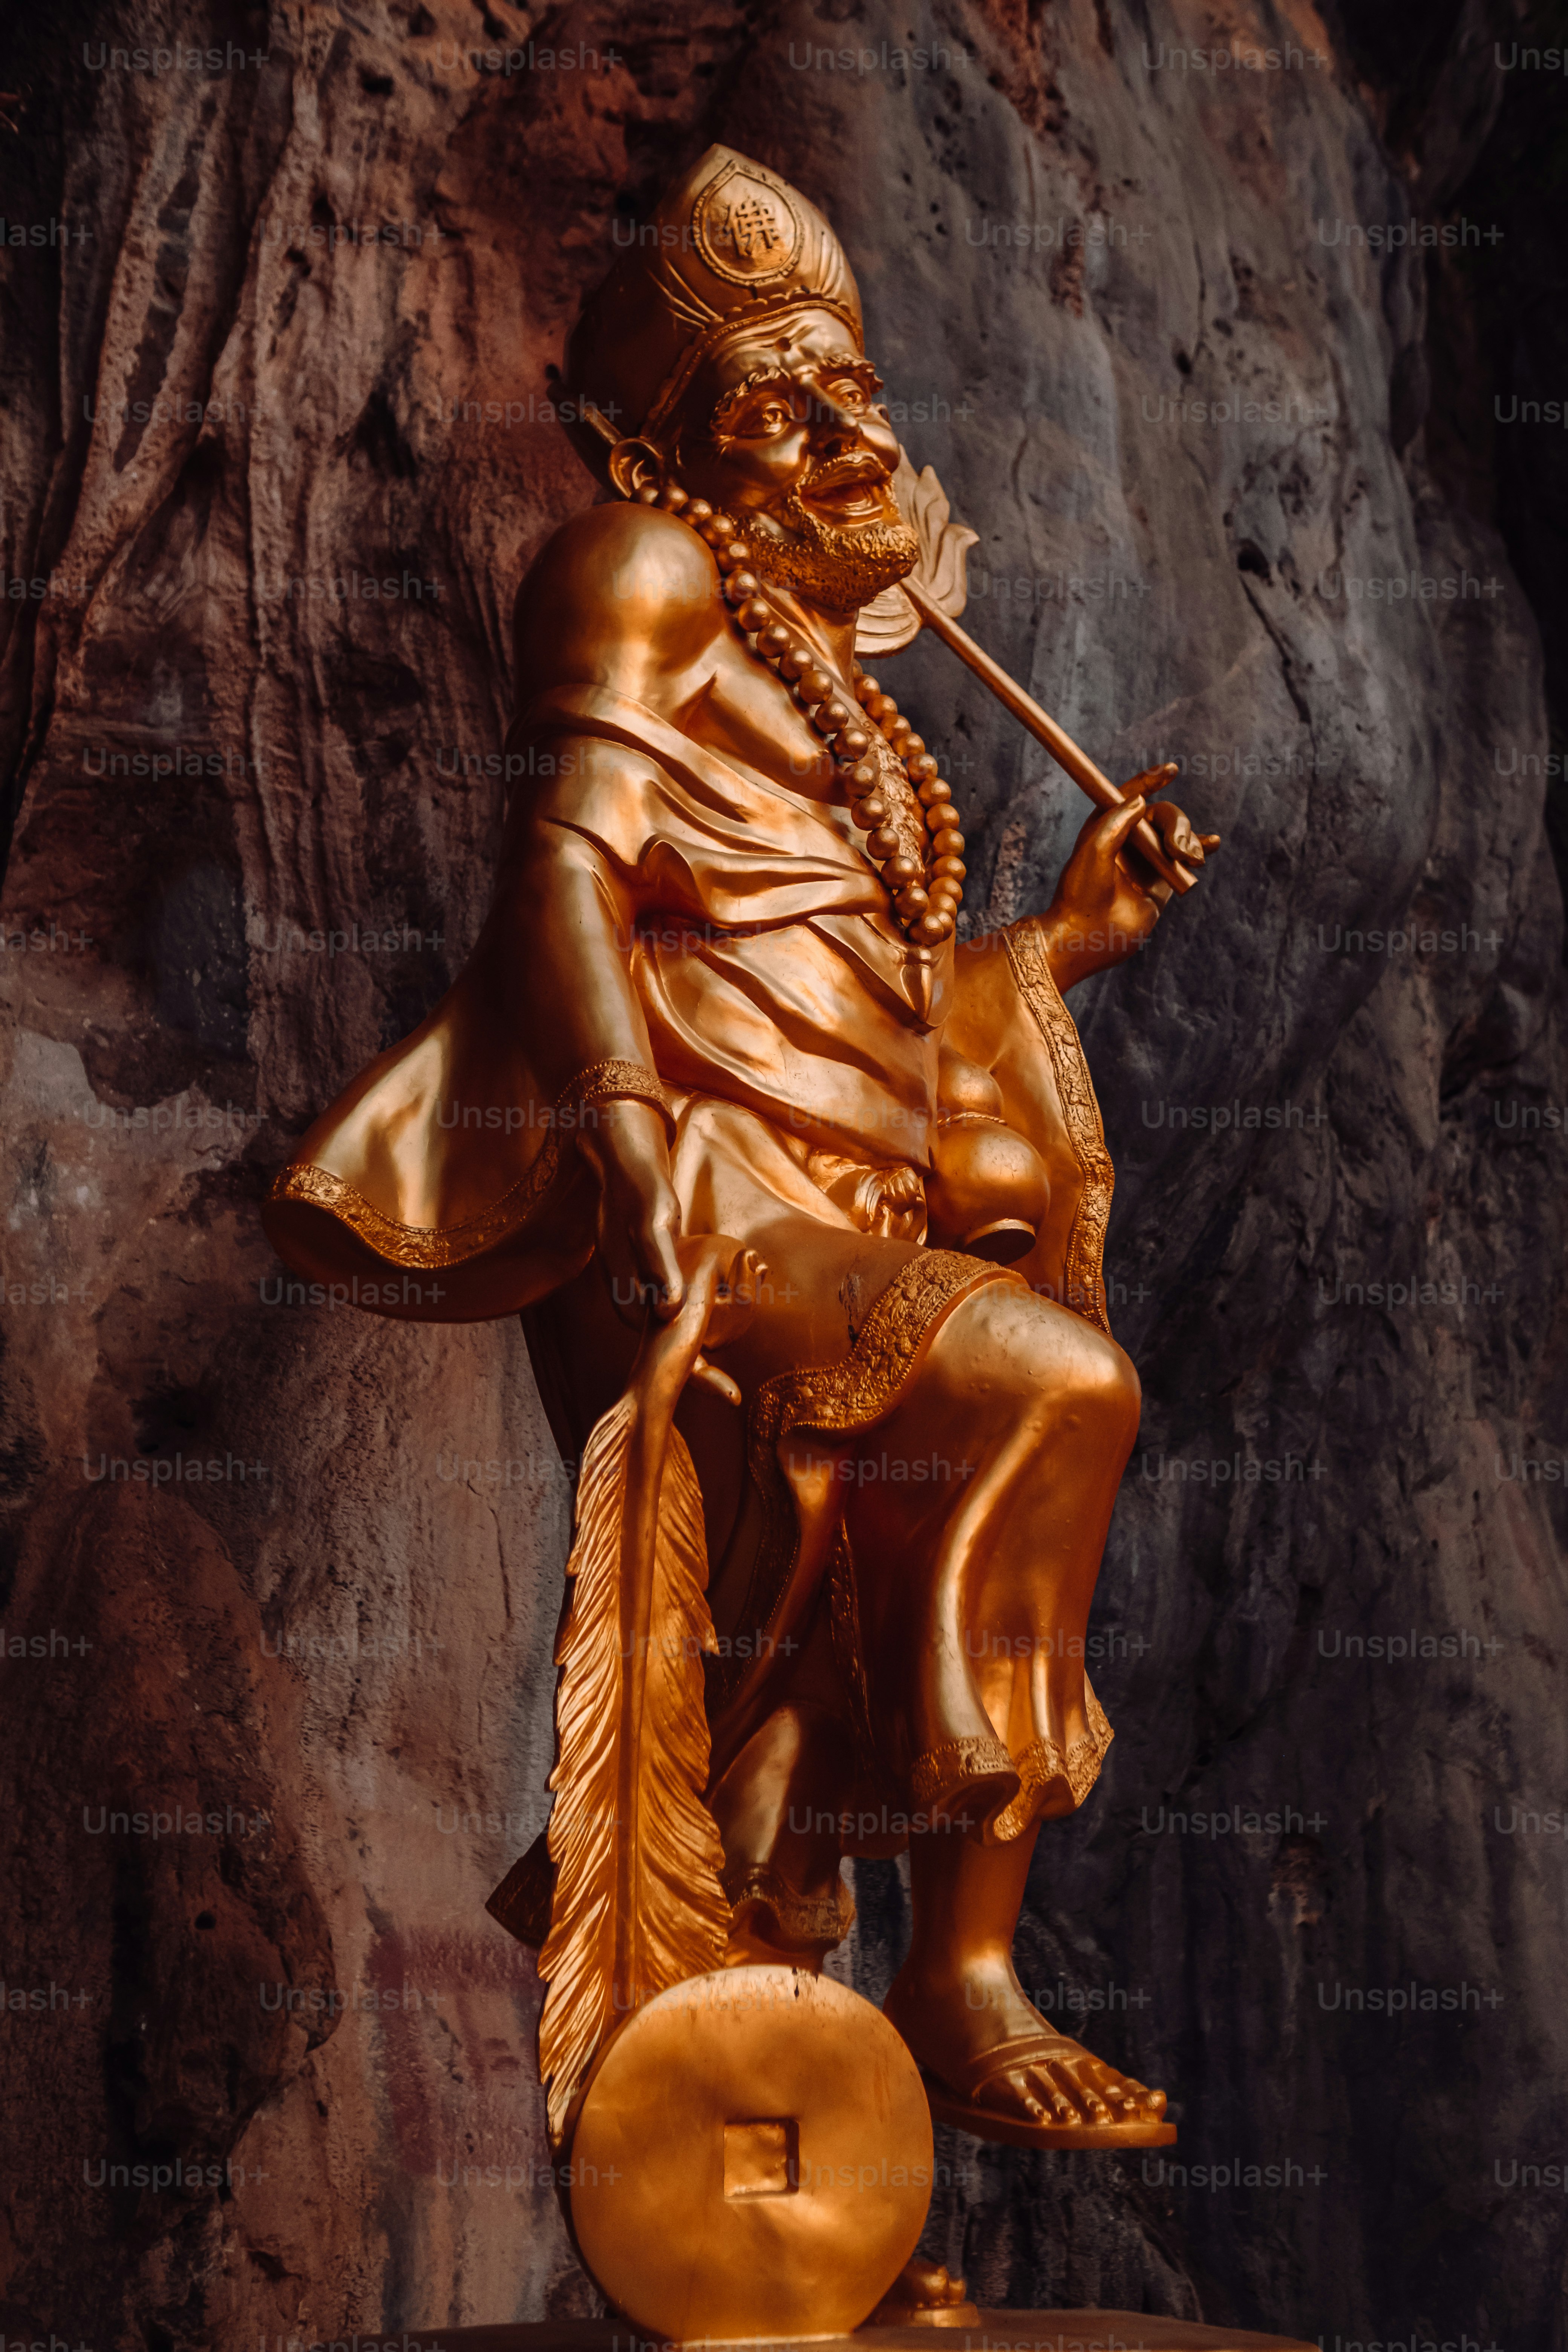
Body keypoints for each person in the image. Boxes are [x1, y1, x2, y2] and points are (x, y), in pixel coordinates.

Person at [264, 146, 1217, 2146]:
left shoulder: (829, 683)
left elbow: (867, 1009)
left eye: (851, 391)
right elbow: (563, 876)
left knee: (782, 1755)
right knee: (1059, 1383)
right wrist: (626, 1145)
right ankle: (963, 1979)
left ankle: (777, 2114)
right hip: (702, 1203)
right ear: (669, 447)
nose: (849, 435)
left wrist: (1064, 943)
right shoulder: (642, 567)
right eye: (778, 406)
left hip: (848, 1215)